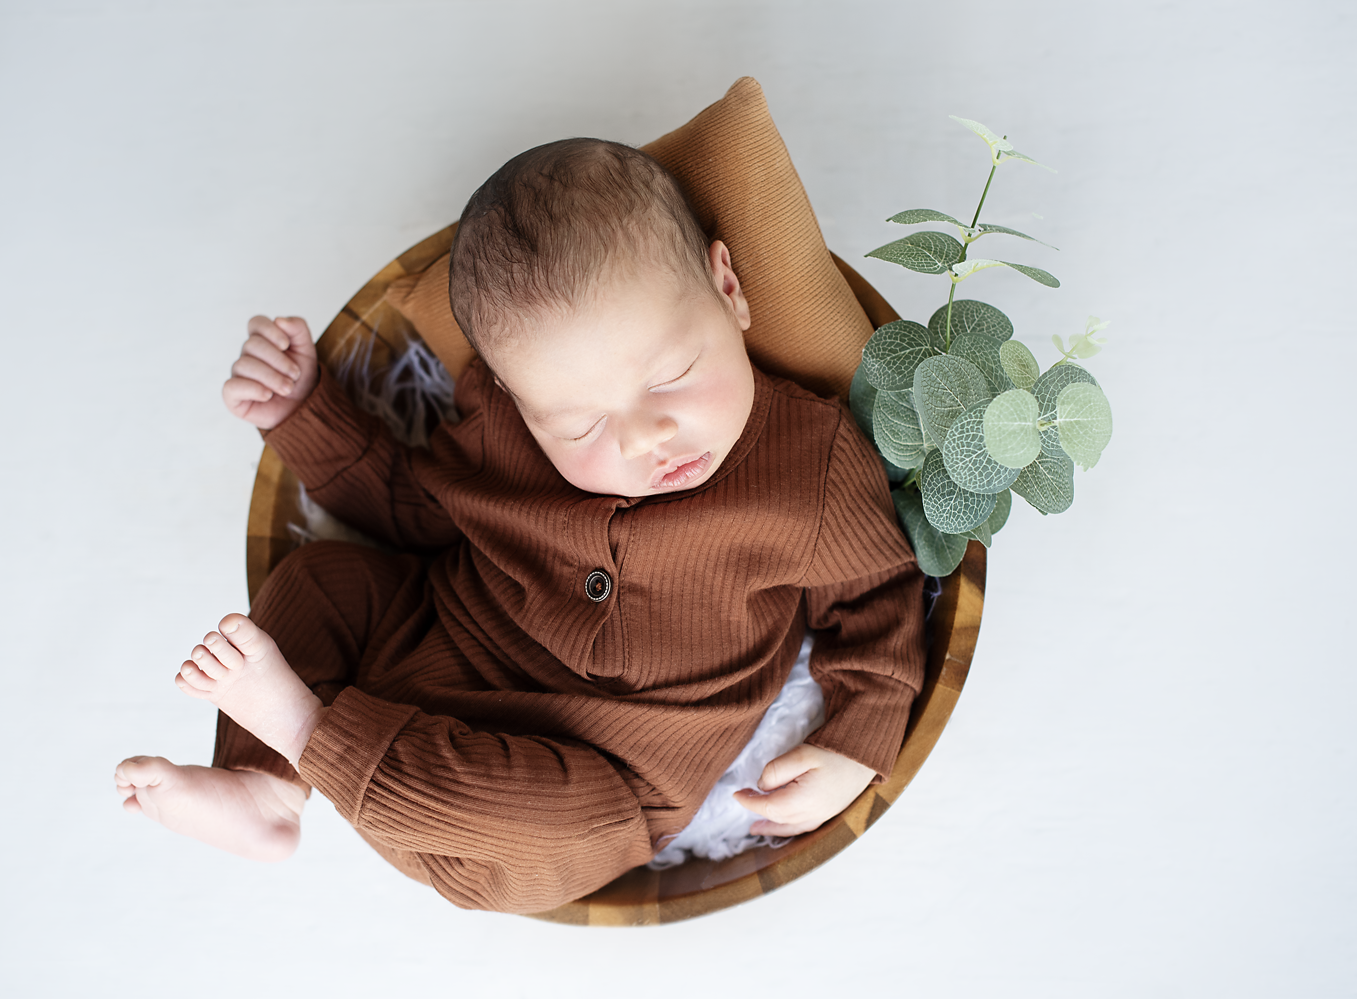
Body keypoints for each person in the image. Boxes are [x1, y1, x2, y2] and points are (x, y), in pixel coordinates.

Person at [115, 139, 925, 914]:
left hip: (584, 795)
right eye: (581, 427)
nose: (647, 440)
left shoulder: (808, 466)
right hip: (432, 647)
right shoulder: (502, 425)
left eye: (673, 376)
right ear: (516, 397)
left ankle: (301, 730)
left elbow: (881, 600)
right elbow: (414, 509)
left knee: (565, 814)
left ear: (729, 288)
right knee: (322, 580)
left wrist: (856, 743)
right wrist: (303, 412)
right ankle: (266, 787)